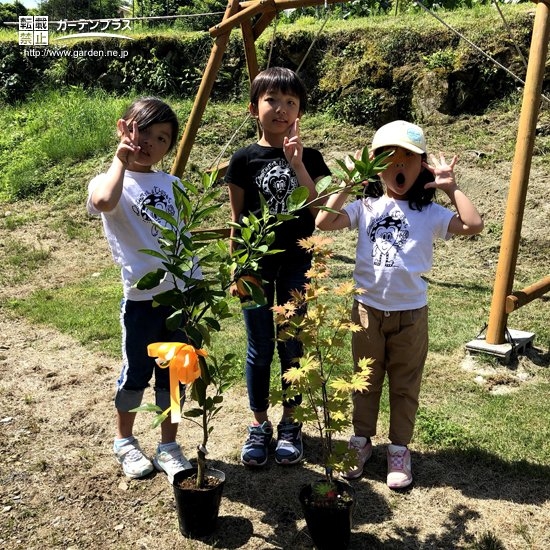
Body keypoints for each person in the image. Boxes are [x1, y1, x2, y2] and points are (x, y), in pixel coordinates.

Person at [316, 120, 483, 489]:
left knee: (405, 383)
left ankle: (399, 449)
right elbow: (324, 221)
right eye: (388, 157)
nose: (398, 165)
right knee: (365, 379)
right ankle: (361, 441)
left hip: (411, 314)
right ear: (375, 165)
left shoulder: (431, 214)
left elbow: (473, 225)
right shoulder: (366, 207)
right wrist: (345, 185)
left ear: (422, 166)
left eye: (408, 158)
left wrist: (452, 188)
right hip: (366, 309)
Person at [225, 67, 331, 467]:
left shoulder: (313, 157)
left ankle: (291, 423)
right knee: (259, 347)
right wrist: (238, 268)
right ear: (255, 108)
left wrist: (298, 163)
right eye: (272, 100)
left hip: (297, 262)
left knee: (292, 343)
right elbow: (237, 218)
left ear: (300, 110)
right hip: (254, 262)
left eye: (291, 102)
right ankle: (258, 424)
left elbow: (320, 210)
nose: (282, 109)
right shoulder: (243, 159)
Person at [87, 97, 194, 482]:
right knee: (136, 374)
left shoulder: (173, 184)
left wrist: (194, 287)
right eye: (142, 131)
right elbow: (103, 202)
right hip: (141, 300)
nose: (150, 142)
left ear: (170, 147)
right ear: (123, 128)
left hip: (178, 298)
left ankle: (169, 445)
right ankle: (125, 441)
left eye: (162, 138)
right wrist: (120, 159)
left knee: (174, 377)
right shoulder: (108, 181)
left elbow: (183, 238)